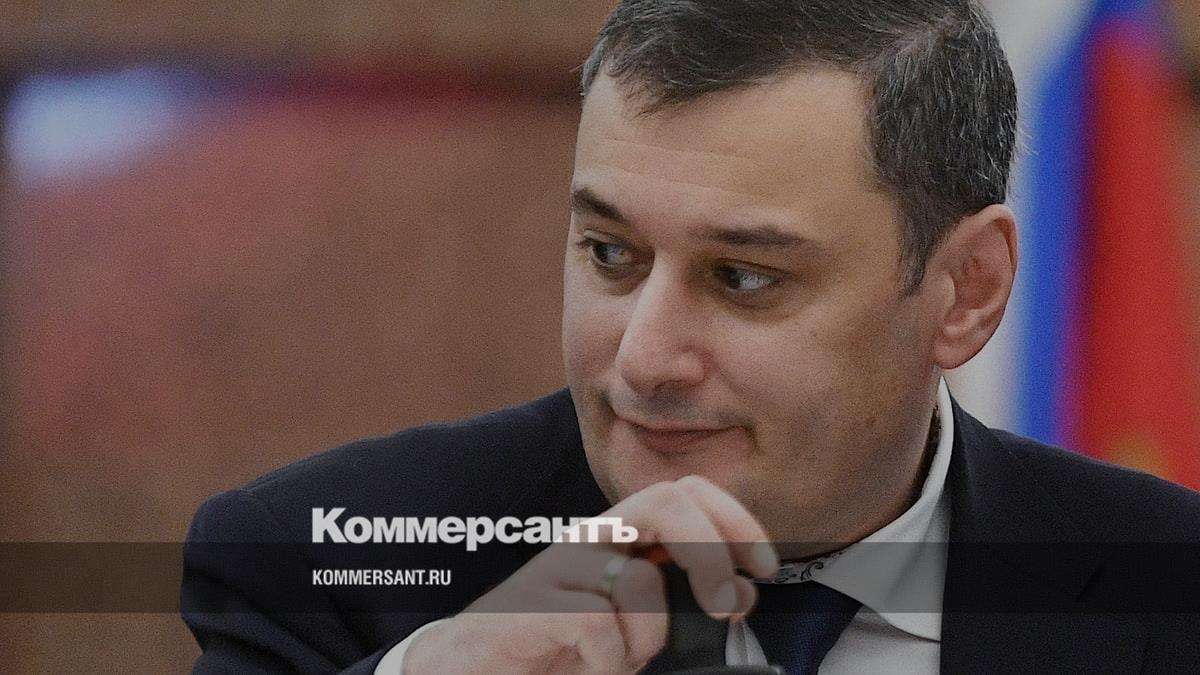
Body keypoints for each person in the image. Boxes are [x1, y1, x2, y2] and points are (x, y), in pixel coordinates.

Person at [182, 1, 1200, 673]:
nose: (642, 359)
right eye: (610, 255)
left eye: (743, 276)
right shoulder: (321, 564)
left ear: (966, 290)